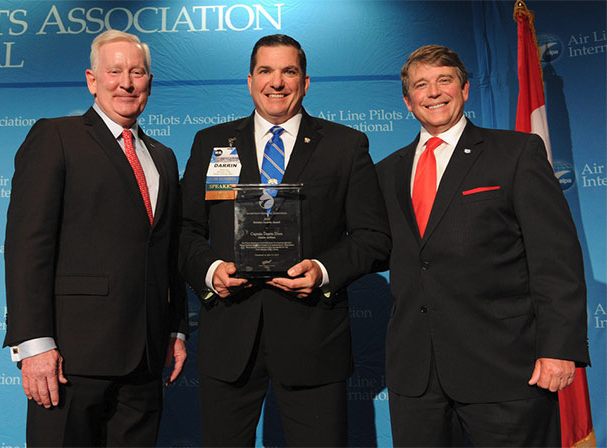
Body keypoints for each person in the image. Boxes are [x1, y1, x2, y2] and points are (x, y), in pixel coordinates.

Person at [179, 34, 390, 446]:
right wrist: (209, 271)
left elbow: (374, 238)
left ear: (305, 82)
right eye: (266, 71)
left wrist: (323, 270)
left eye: (288, 71)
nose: (276, 82)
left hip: (313, 339)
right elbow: (185, 231)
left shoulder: (345, 146)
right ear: (250, 80)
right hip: (229, 338)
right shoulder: (212, 143)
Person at [376, 44, 590, 446]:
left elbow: (555, 256)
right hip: (418, 379)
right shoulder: (387, 172)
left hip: (506, 370)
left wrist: (560, 348)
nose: (434, 92)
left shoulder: (515, 152)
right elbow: (373, 248)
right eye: (421, 85)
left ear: (466, 89)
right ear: (408, 102)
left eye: (445, 80)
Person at [3, 30, 188, 447]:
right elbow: (27, 246)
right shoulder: (56, 137)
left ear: (149, 82)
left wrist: (175, 331)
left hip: (145, 359)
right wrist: (33, 345)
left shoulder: (163, 157)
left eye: (137, 72)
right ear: (92, 80)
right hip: (71, 360)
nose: (126, 82)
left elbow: (168, 252)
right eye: (115, 71)